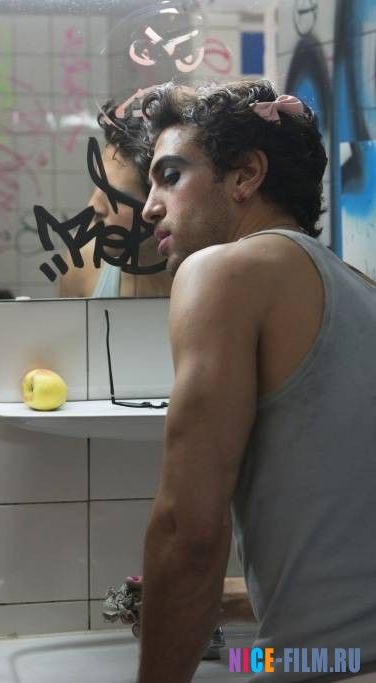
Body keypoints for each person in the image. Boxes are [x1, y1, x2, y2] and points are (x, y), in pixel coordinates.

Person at [135, 79, 376, 682]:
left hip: (328, 668)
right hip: (336, 658)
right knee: (245, 662)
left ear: (246, 175)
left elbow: (189, 532)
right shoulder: (362, 290)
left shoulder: (223, 272)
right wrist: (232, 599)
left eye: (170, 177)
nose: (149, 208)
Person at [58, 102, 172, 299]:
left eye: (115, 196)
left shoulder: (212, 279)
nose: (93, 207)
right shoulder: (81, 263)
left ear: (158, 208)